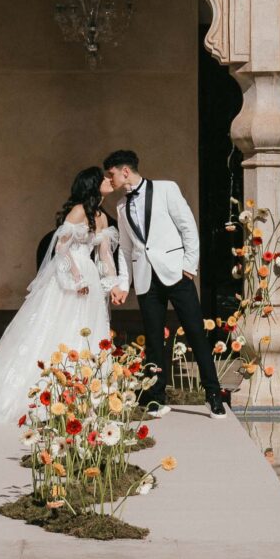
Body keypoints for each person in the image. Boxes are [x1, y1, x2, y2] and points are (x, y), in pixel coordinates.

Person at [0, 166, 122, 422]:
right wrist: (76, 278)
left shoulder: (101, 216)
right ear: (92, 184)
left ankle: (86, 397)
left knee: (90, 331)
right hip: (70, 278)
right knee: (59, 330)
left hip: (90, 276)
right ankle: (51, 395)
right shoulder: (78, 211)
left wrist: (113, 283)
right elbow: (62, 249)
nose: (108, 180)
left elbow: (104, 255)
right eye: (103, 177)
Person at [103, 148, 228, 417]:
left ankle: (214, 394)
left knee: (196, 333)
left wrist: (189, 267)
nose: (110, 180)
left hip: (177, 274)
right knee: (153, 340)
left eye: (111, 174)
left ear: (125, 171)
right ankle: (156, 397)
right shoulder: (121, 206)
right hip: (147, 279)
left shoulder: (167, 189)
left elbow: (188, 227)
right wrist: (125, 284)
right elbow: (125, 249)